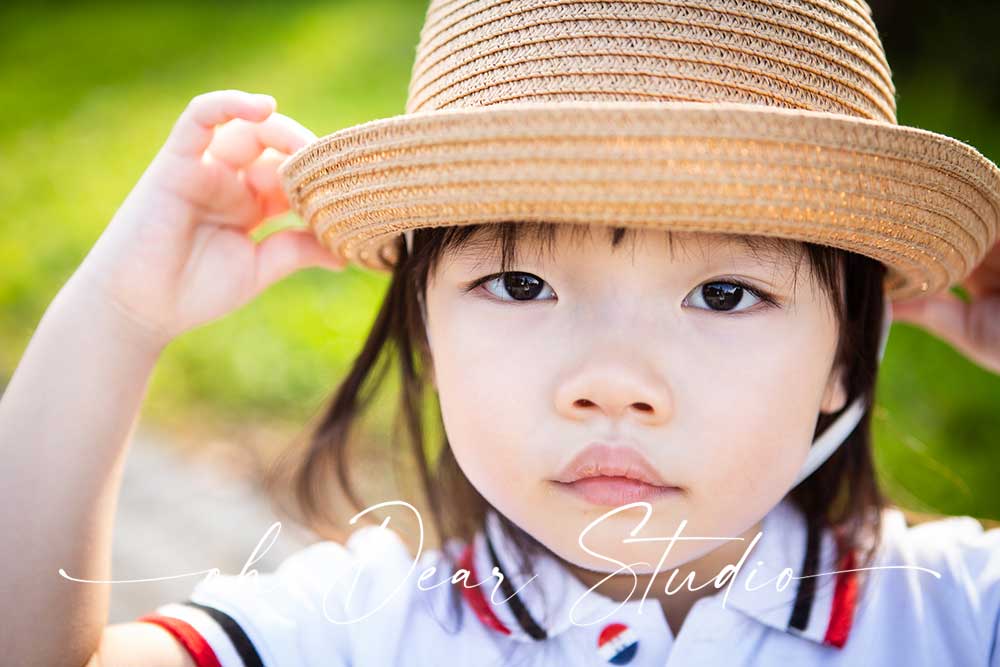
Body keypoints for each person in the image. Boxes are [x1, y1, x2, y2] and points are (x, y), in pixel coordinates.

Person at [2, 1, 999, 666]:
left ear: (844, 353)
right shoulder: (363, 628)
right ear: (425, 329)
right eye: (520, 281)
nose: (612, 382)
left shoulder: (953, 611)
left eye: (725, 294)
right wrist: (119, 315)